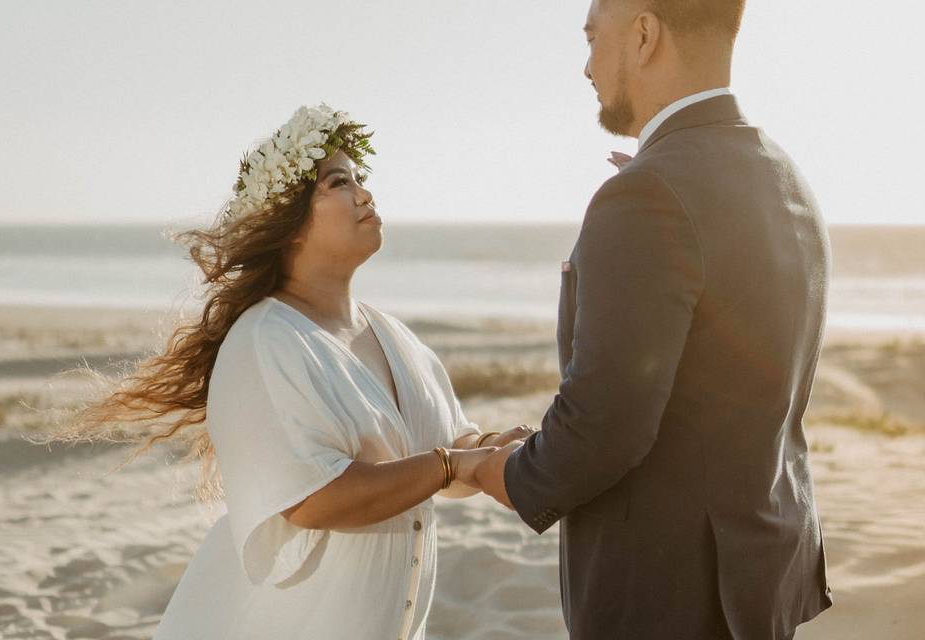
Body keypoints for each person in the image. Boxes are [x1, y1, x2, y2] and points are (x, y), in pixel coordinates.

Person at [48, 103, 532, 640]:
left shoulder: (395, 336)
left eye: (361, 179)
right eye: (339, 182)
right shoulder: (265, 341)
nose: (366, 195)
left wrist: (490, 451)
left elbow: (447, 451)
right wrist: (455, 464)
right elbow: (316, 498)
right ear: (289, 225)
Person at [474, 1, 833, 639]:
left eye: (592, 37)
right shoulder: (785, 175)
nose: (586, 66)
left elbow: (606, 426)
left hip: (666, 600)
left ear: (643, 34)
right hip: (760, 578)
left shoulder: (648, 195)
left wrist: (503, 470)